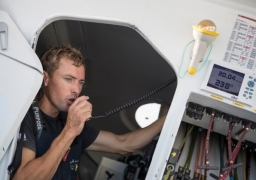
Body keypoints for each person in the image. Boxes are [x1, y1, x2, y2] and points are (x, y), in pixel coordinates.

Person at [12, 44, 166, 180]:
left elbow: (123, 145)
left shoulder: (70, 121)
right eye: (68, 79)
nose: (76, 89)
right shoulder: (27, 116)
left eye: (81, 82)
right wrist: (70, 131)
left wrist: (168, 119)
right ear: (45, 78)